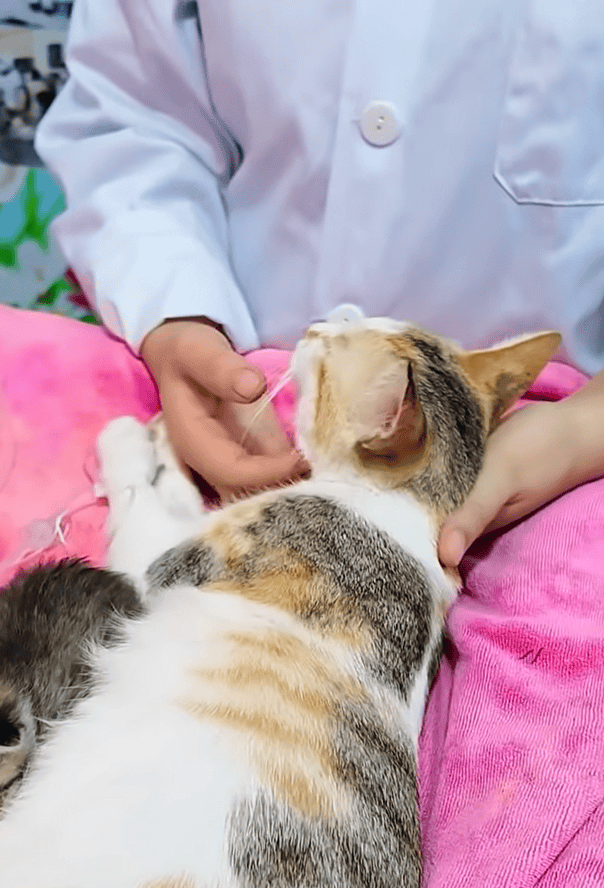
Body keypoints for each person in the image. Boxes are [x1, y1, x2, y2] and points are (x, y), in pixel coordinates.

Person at [35, 0, 604, 566]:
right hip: (230, 397)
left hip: (555, 459)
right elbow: (133, 115)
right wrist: (176, 310)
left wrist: (582, 431)